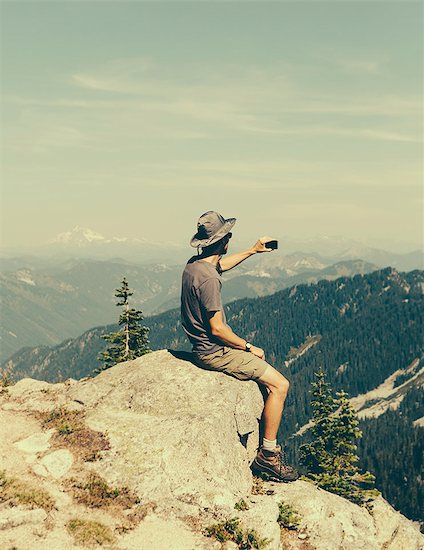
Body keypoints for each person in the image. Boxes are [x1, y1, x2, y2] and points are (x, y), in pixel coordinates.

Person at [180, 211, 299, 482]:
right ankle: (268, 457)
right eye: (229, 236)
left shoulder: (195, 266)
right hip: (214, 352)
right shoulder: (209, 279)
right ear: (223, 241)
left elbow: (219, 266)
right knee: (280, 385)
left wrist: (253, 251)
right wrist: (248, 347)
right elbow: (218, 329)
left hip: (201, 347)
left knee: (271, 381)